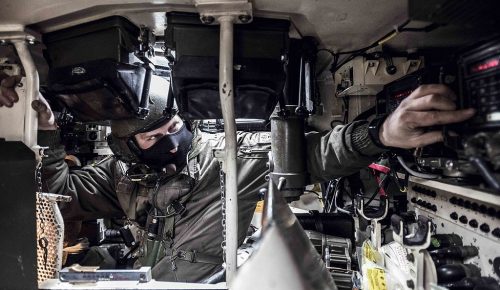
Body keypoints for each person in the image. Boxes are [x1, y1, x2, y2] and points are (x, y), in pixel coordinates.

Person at [0, 73, 475, 282]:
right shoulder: (119, 175)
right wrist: (47, 134)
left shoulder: (232, 157)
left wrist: (381, 133)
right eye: (154, 137)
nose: (172, 140)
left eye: (176, 128)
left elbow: (315, 153)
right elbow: (58, 196)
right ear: (129, 147)